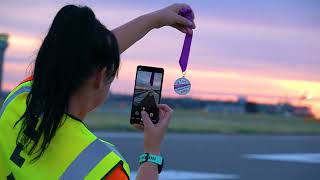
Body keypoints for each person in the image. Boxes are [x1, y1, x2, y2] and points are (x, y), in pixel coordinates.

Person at [0, 3, 196, 180]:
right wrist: (152, 151)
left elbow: (73, 55)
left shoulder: (20, 98)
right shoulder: (101, 168)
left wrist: (154, 20)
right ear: (100, 77)